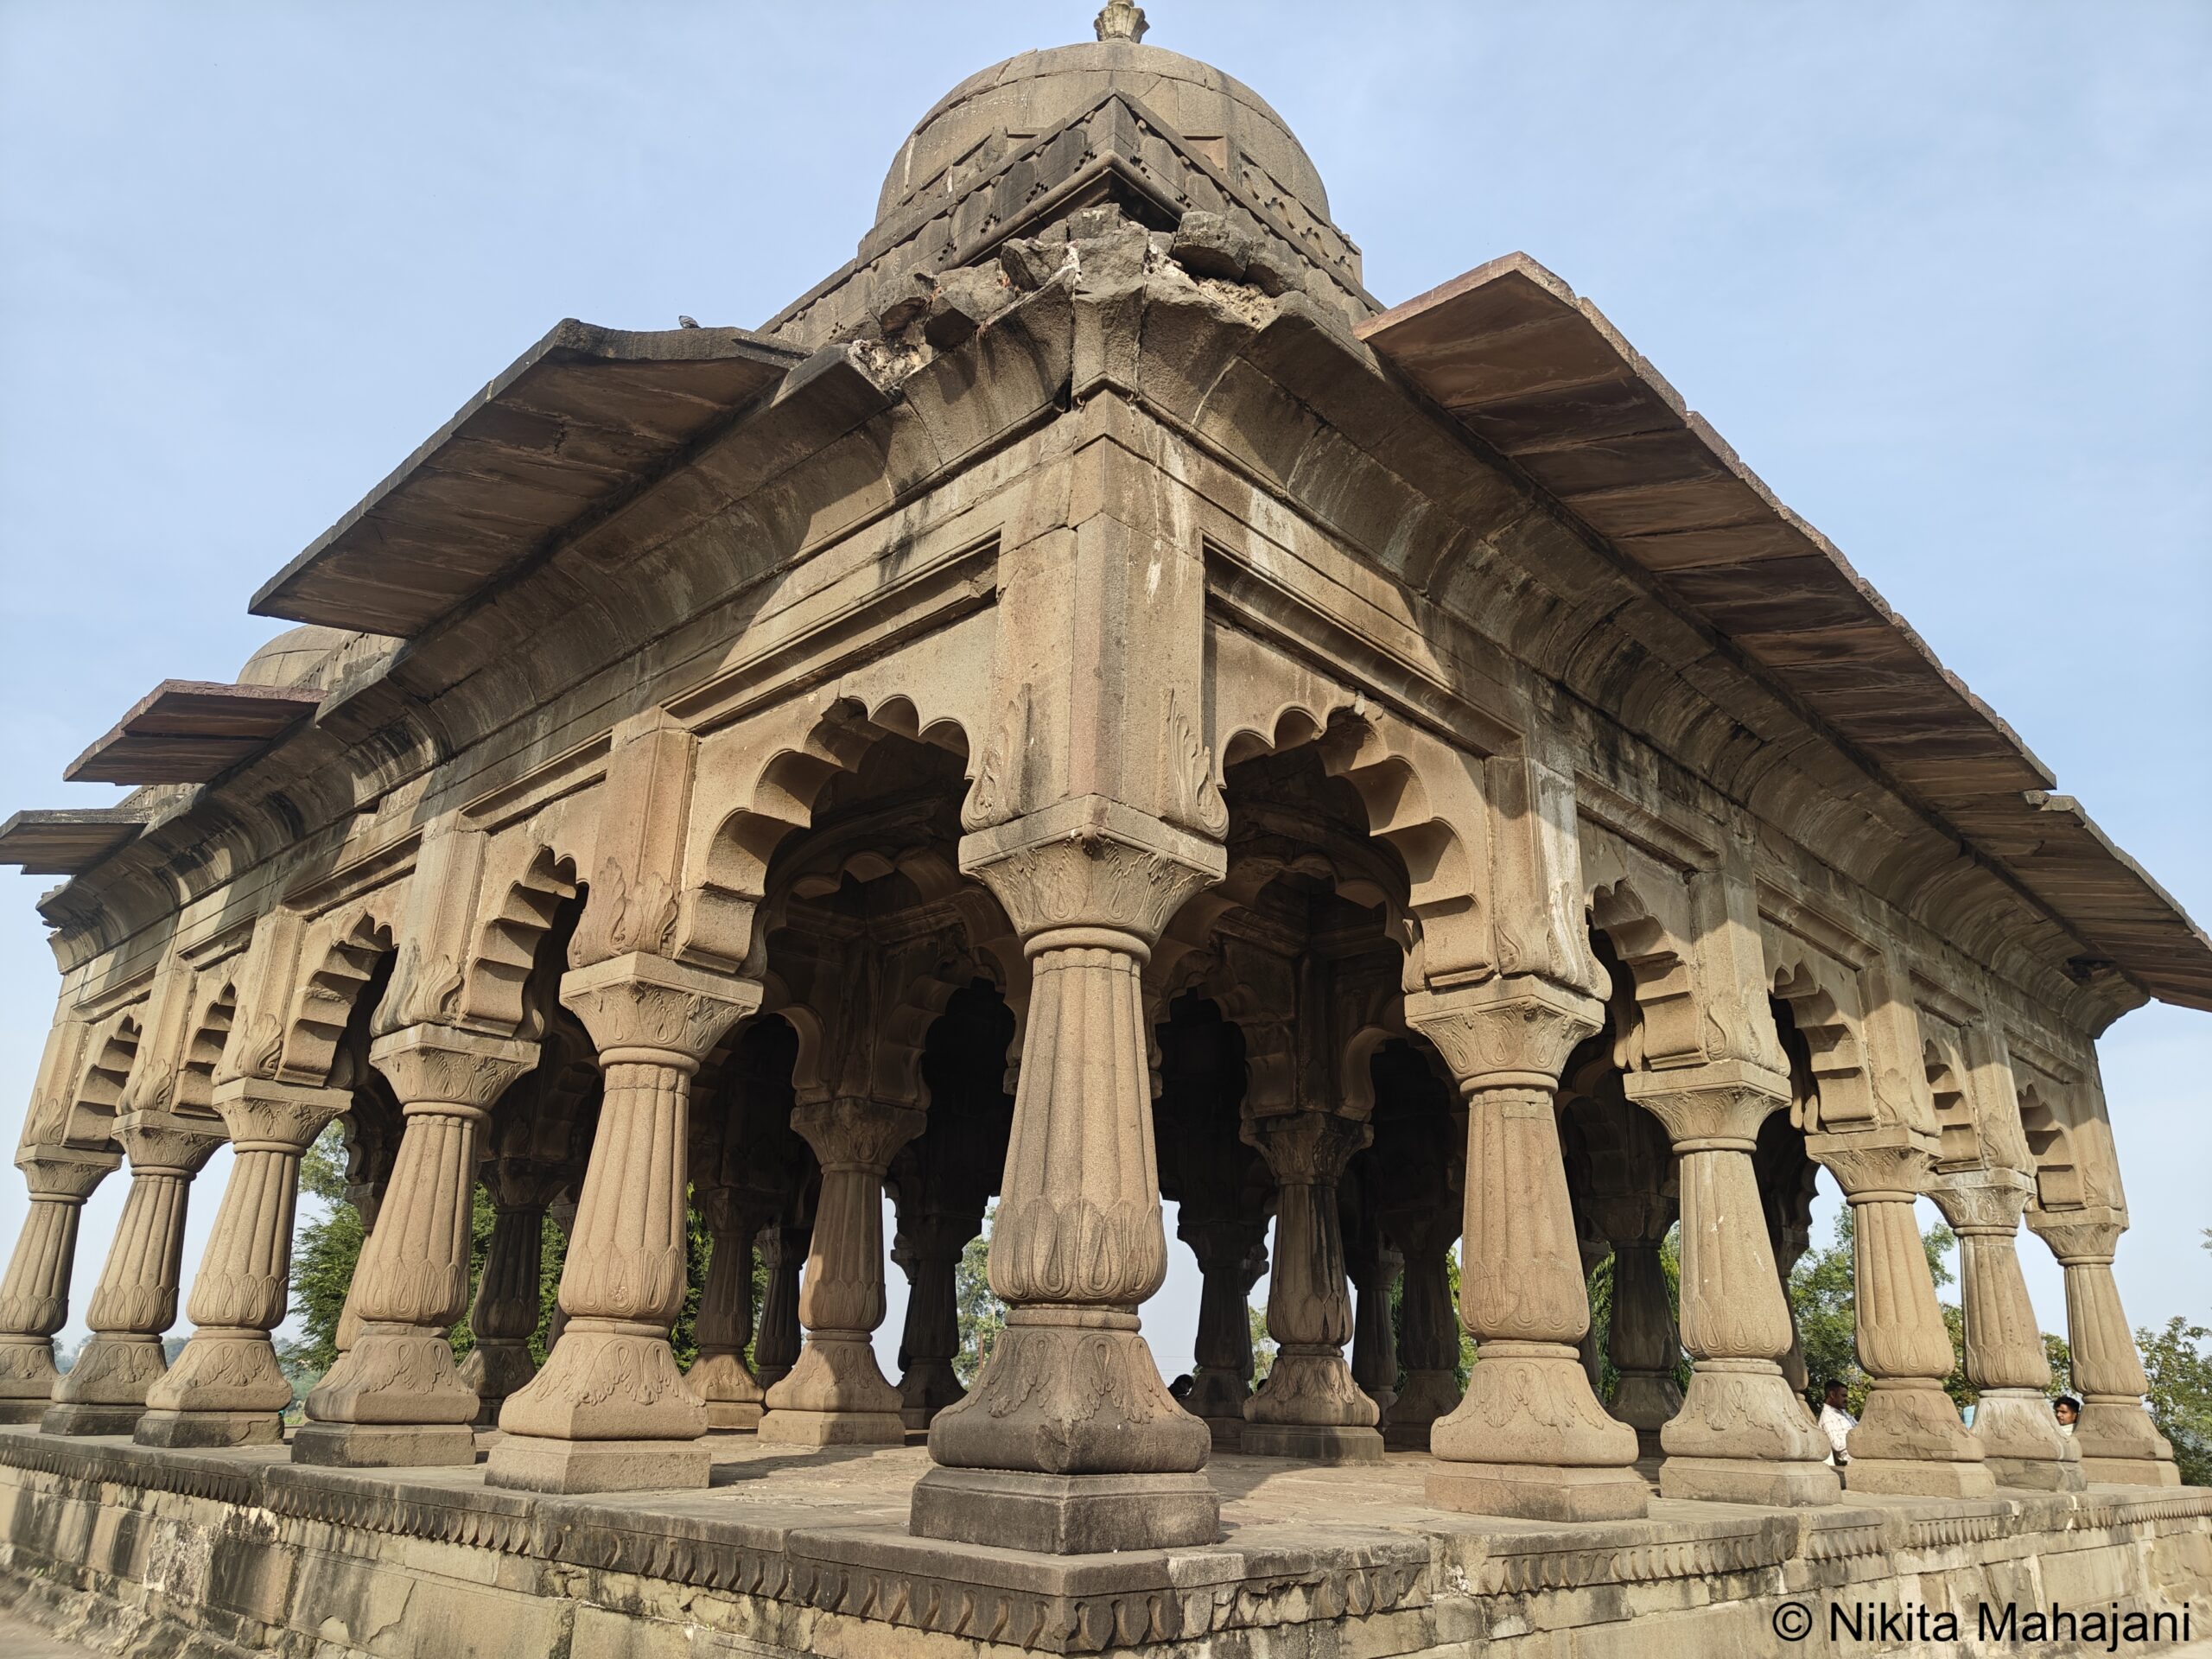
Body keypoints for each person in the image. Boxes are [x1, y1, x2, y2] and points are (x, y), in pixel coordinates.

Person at [1817, 1379, 1857, 1466]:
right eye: (1843, 1396)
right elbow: (1837, 1445)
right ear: (1832, 1395)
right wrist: (1856, 1438)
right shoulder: (1827, 1416)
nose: (1846, 1399)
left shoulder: (1843, 1413)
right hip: (1852, 1457)